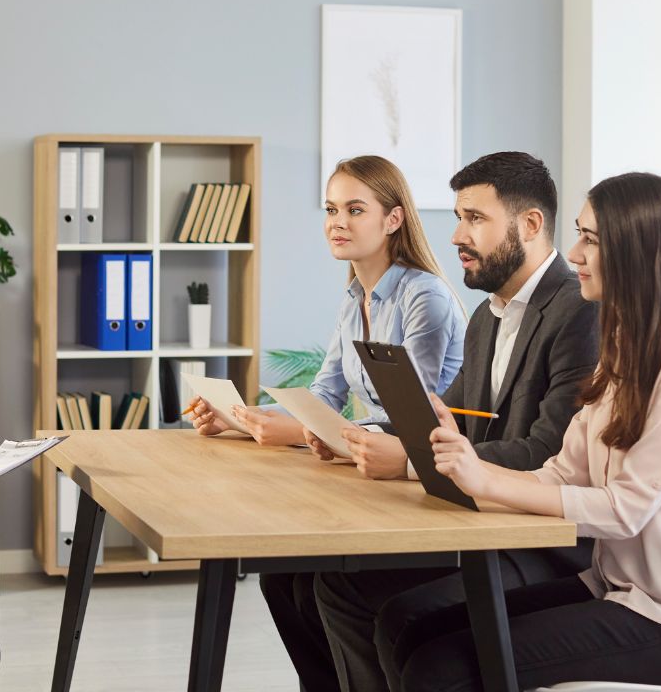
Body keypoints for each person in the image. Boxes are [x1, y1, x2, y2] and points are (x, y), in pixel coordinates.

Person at [391, 172, 661, 691]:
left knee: (443, 666)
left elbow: (627, 507)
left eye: (590, 239)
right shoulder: (625, 344)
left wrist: (486, 482)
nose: (573, 253)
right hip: (619, 587)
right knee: (409, 631)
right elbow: (563, 473)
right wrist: (462, 471)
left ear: (637, 250)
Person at [307, 151, 600, 692]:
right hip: (483, 519)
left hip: (545, 543)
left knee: (349, 590)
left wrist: (413, 462)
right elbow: (444, 417)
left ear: (530, 225)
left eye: (475, 219)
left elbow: (548, 455)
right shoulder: (489, 314)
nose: (456, 235)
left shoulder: (579, 310)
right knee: (303, 581)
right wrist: (360, 438)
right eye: (459, 217)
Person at [189, 155, 466, 690]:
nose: (338, 222)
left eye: (355, 209)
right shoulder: (353, 298)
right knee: (281, 576)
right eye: (331, 208)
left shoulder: (423, 296)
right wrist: (243, 419)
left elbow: (408, 419)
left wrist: (299, 432)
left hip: (424, 480)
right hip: (372, 474)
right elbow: (324, 394)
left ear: (393, 219)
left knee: (323, 583)